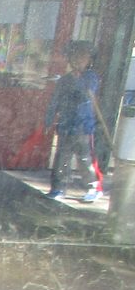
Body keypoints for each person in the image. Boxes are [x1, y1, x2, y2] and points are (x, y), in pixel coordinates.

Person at [45, 42, 102, 202]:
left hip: (83, 126)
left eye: (83, 57)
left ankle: (93, 187)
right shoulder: (64, 80)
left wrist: (78, 79)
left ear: (89, 60)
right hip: (65, 126)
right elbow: (55, 101)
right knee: (61, 159)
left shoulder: (91, 77)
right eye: (75, 56)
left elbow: (85, 94)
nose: (78, 60)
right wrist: (49, 119)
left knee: (85, 159)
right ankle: (58, 188)